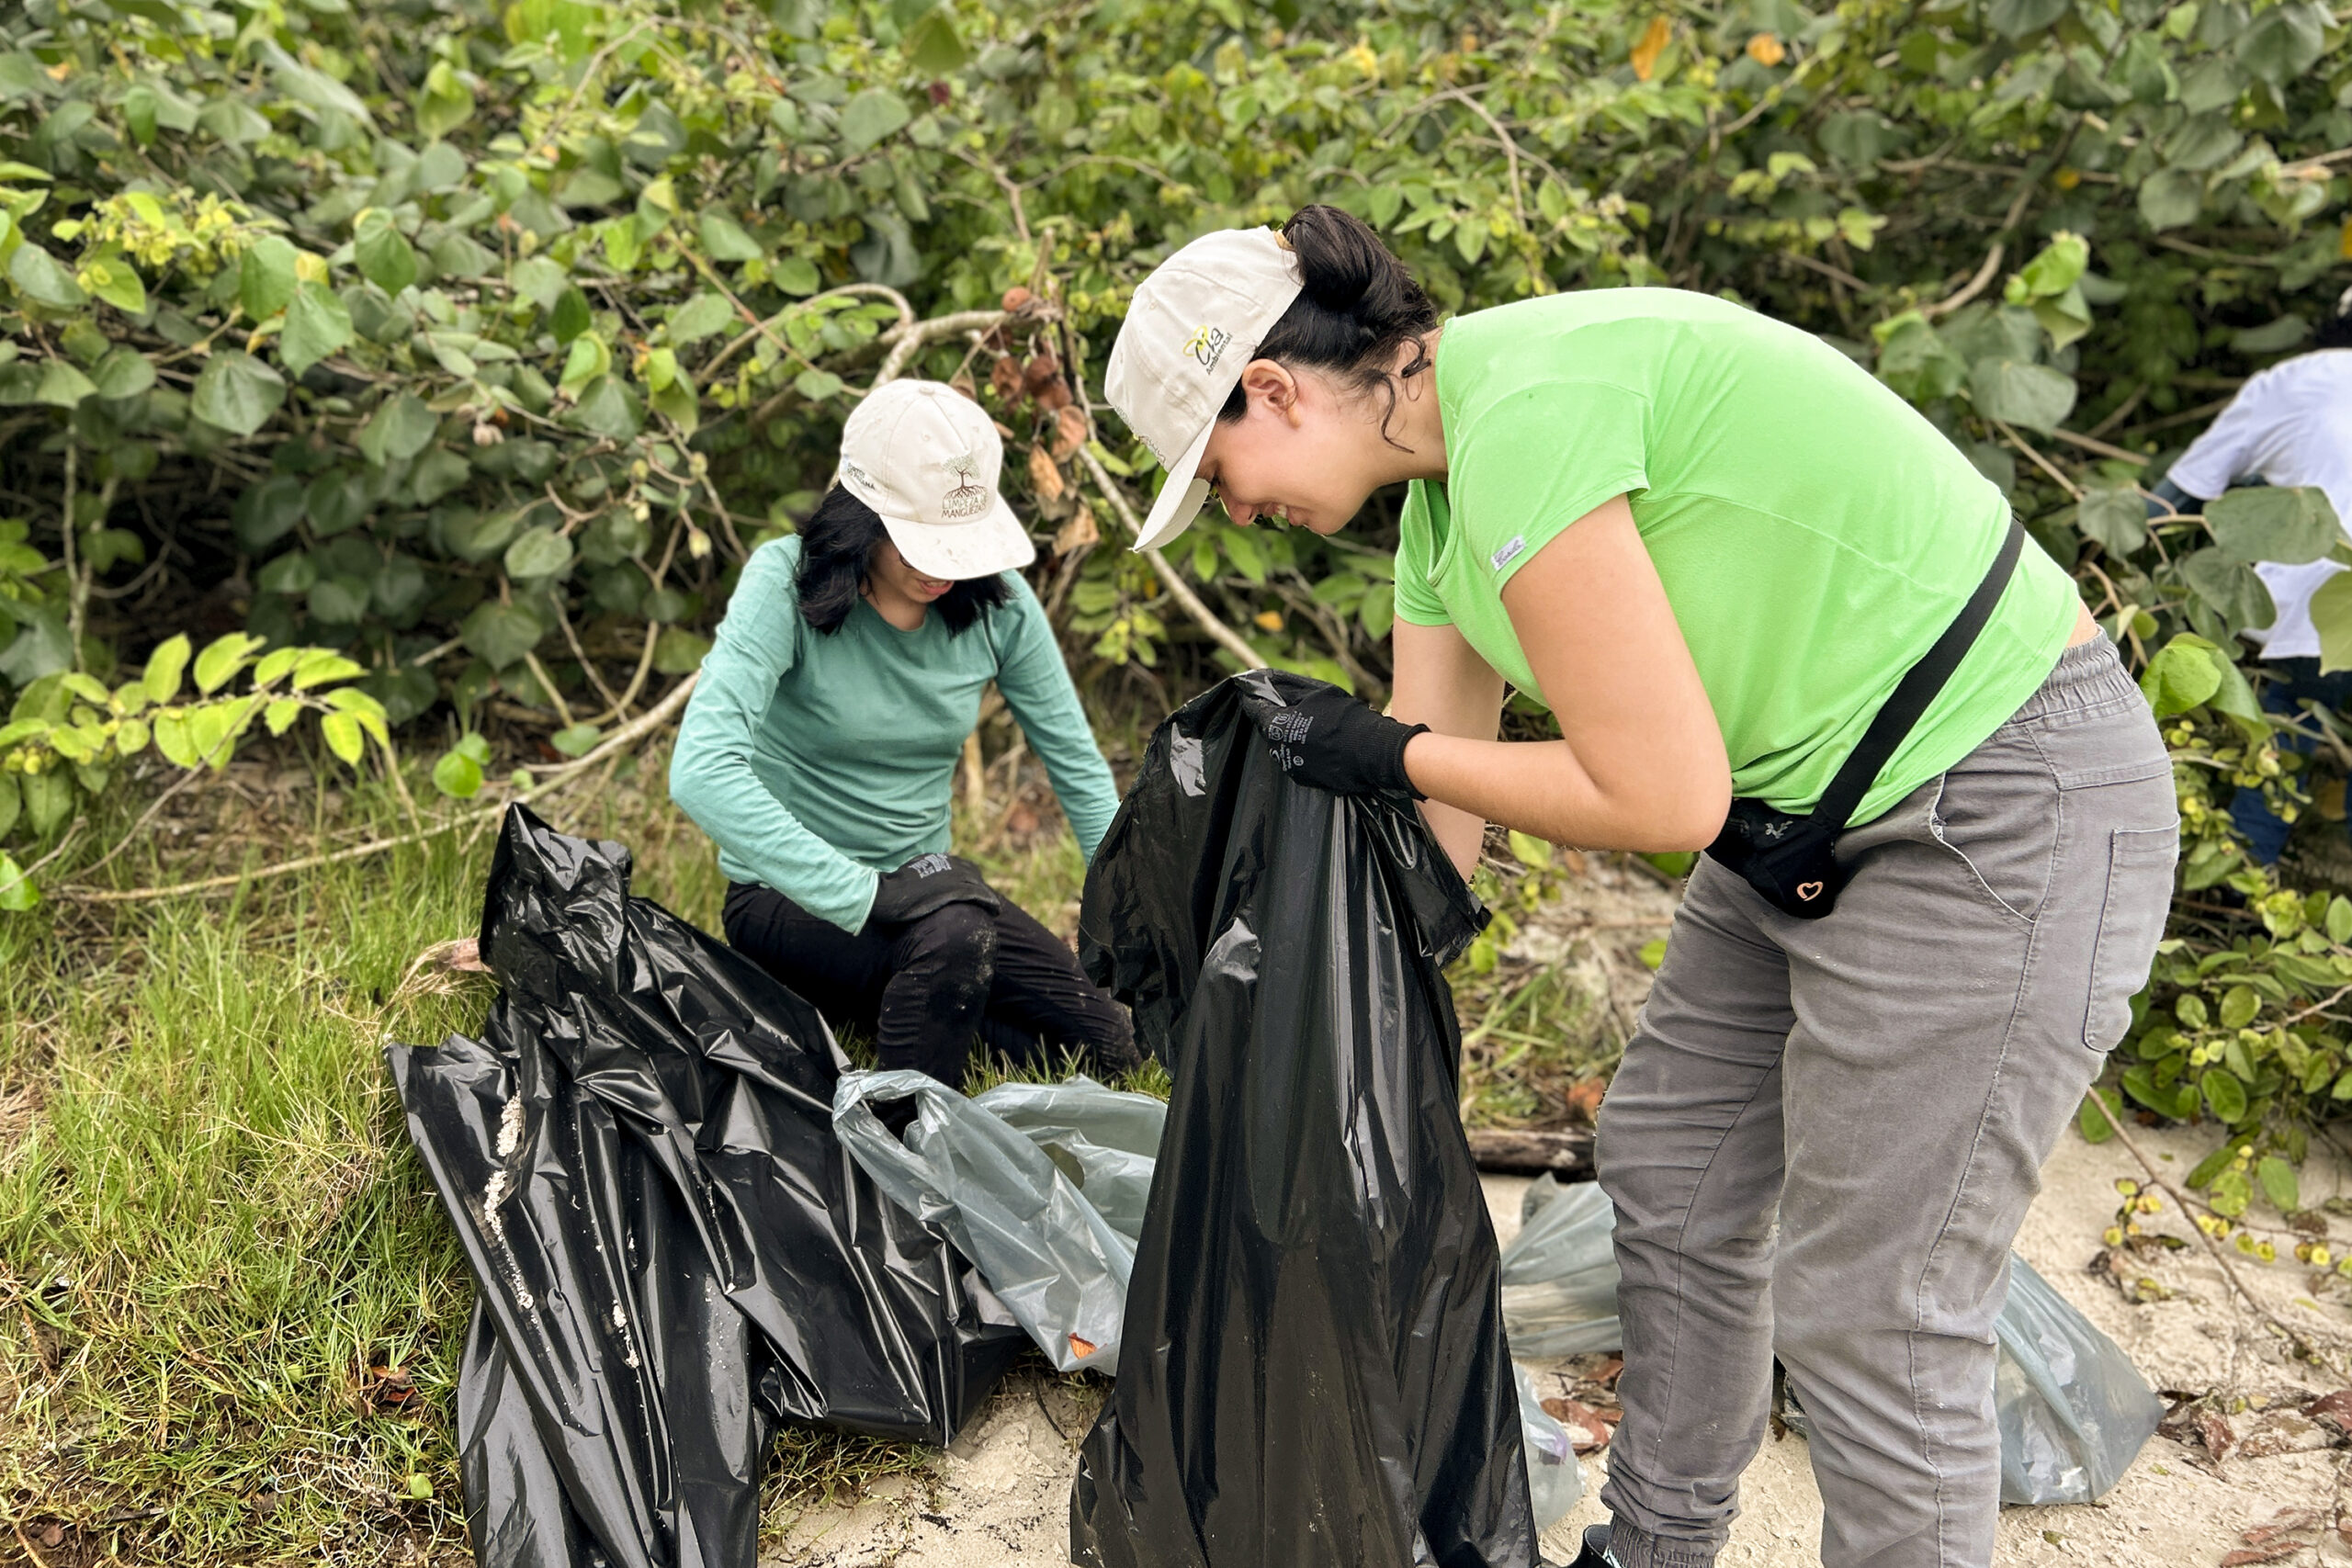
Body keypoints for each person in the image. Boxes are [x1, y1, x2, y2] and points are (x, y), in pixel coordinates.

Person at [1102, 207, 2177, 1568]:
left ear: (1271, 388)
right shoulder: (1440, 509)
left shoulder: (1525, 413)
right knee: (1671, 1168)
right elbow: (1436, 830)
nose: (1235, 508)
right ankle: (1656, 1548)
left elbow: (1662, 798)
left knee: (1876, 1301)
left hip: (1997, 797)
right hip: (1797, 815)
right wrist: (1280, 1000)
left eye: (1216, 471)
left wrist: (1385, 750)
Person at [670, 378, 1136, 1088]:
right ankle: (902, 1129)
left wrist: (1132, 916)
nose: (943, 566)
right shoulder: (783, 581)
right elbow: (701, 770)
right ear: (861, 517)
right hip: (788, 898)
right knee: (958, 935)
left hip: (931, 895)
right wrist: (864, 893)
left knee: (1110, 1044)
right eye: (921, 542)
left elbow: (1075, 764)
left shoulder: (1000, 607)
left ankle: (910, 999)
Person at [2150, 297, 2352, 865]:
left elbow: (2178, 496)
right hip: (2327, 610)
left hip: (2313, 617)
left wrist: (2100, 542)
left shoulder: (2294, 380)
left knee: (2276, 756)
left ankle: (2245, 883)